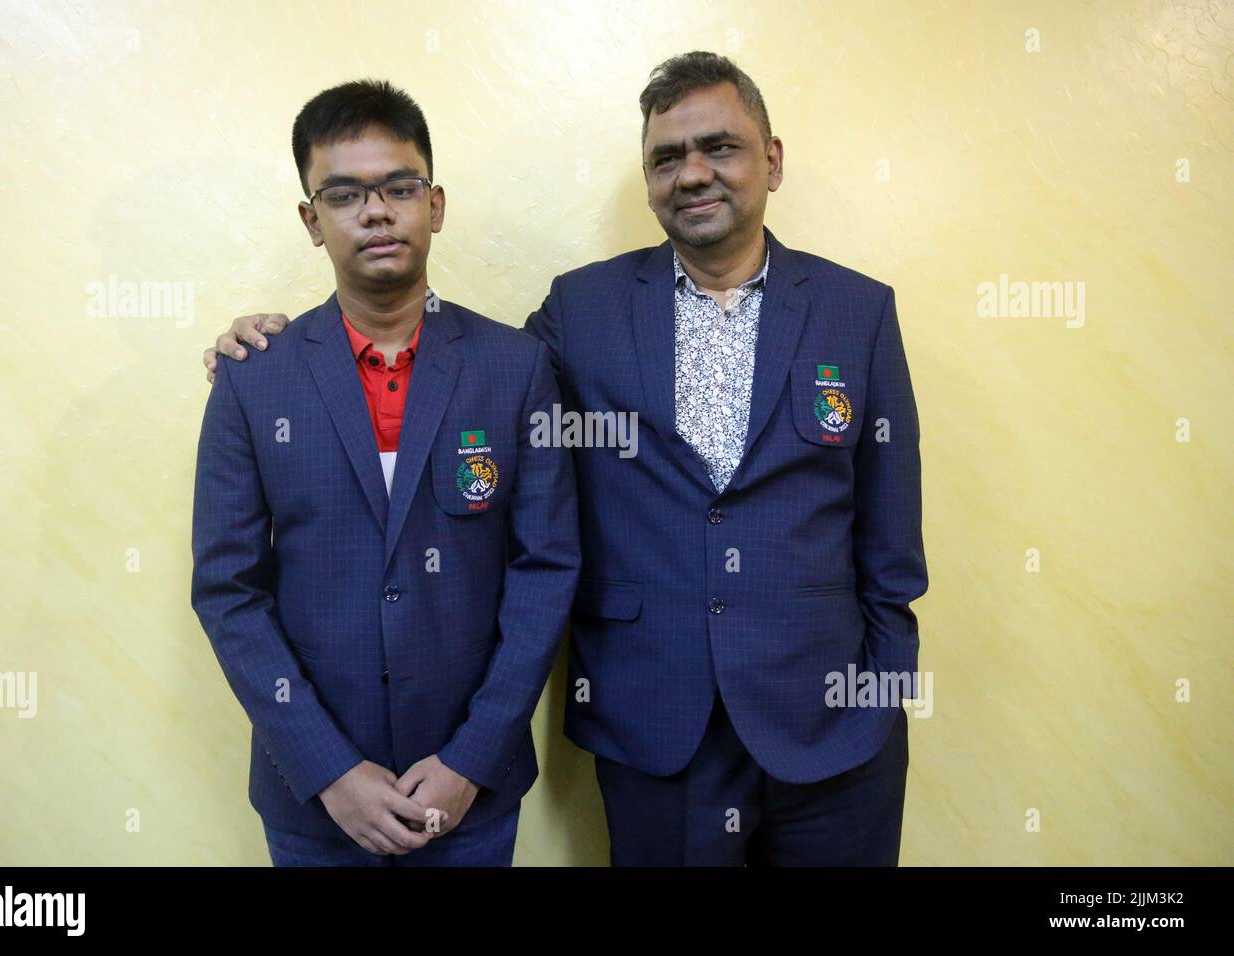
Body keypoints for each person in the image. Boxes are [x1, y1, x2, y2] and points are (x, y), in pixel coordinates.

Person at [204, 52, 927, 867]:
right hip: (658, 729)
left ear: (773, 159)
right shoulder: (581, 312)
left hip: (832, 728)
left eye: (719, 147)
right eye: (665, 158)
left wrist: (882, 696)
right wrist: (267, 350)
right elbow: (455, 370)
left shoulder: (857, 312)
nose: (692, 174)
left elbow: (891, 541)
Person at [191, 80, 579, 866]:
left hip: (469, 792)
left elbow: (546, 571)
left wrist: (473, 756)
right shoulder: (253, 379)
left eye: (399, 187)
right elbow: (228, 590)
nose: (375, 211)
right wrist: (327, 768)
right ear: (312, 219)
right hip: (314, 801)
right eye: (343, 193)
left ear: (434, 205)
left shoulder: (517, 369)